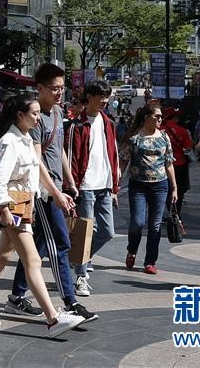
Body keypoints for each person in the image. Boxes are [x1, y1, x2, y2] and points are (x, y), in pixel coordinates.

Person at [0, 96, 85, 338]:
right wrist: (4, 209)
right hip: (13, 208)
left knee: (1, 257)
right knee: (33, 260)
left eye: (39, 113)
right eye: (34, 114)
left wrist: (55, 193)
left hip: (23, 206)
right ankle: (53, 318)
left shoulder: (26, 139)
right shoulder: (9, 142)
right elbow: (0, 181)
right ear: (20, 115)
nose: (38, 118)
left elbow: (35, 176)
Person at [7, 63, 98, 323]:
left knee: (33, 247)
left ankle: (16, 297)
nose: (59, 93)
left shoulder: (57, 112)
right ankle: (70, 303)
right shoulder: (34, 118)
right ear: (40, 88)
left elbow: (59, 152)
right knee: (60, 244)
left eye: (62, 88)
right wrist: (56, 192)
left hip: (55, 189)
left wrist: (69, 181)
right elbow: (37, 162)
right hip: (41, 194)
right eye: (54, 88)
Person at [67, 80, 120, 297]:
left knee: (107, 232)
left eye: (107, 96)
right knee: (84, 232)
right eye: (101, 96)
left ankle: (79, 257)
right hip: (85, 186)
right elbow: (71, 158)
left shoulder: (108, 123)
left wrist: (114, 186)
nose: (105, 100)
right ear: (89, 97)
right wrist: (72, 187)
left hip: (104, 185)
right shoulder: (76, 125)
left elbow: (113, 154)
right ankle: (81, 276)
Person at [120, 103, 178, 274]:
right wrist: (116, 183)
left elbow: (169, 163)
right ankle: (132, 249)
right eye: (156, 116)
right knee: (137, 223)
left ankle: (150, 261)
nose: (160, 119)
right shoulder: (133, 137)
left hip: (160, 186)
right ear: (146, 117)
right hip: (138, 185)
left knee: (155, 225)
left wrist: (174, 187)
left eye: (161, 116)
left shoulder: (164, 137)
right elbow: (123, 161)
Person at [160, 107, 192, 219]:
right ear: (175, 117)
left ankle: (170, 212)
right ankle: (176, 213)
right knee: (179, 190)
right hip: (180, 164)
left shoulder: (159, 130)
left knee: (166, 189)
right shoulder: (182, 131)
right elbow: (188, 148)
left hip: (163, 165)